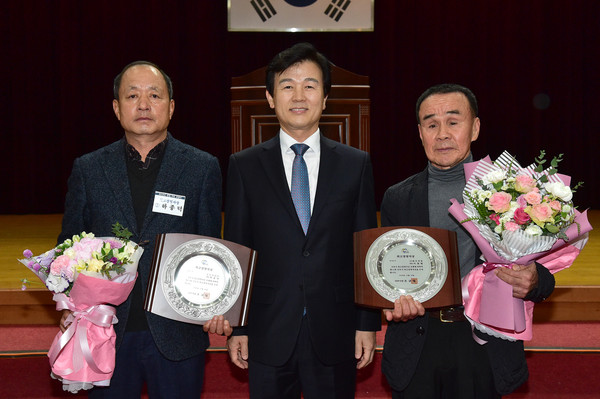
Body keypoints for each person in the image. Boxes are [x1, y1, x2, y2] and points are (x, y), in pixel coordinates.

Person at [58, 60, 230, 398]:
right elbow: (68, 244)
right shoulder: (89, 168)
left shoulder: (201, 167)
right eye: (132, 95)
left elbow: (211, 246)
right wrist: (67, 302)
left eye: (155, 95)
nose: (144, 104)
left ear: (171, 107)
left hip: (177, 332)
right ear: (116, 108)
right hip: (105, 331)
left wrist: (217, 305)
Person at [224, 42, 381, 398]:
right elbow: (238, 249)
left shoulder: (355, 164)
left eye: (310, 85)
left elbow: (364, 247)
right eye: (287, 85)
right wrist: (239, 327)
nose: (299, 95)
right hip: (267, 328)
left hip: (336, 328)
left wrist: (367, 323)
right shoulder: (244, 165)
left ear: (325, 98)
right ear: (269, 97)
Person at [380, 83, 555, 398]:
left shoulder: (513, 192)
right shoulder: (398, 197)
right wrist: (391, 300)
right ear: (420, 132)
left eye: (453, 121)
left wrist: (533, 279)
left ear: (474, 127)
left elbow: (545, 275)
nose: (442, 133)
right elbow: (388, 274)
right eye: (431, 124)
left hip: (483, 341)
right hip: (419, 338)